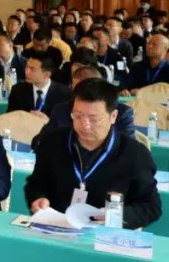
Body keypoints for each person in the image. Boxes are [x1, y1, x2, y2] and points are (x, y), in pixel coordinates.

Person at [25, 79, 162, 229]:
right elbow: (36, 184)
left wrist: (115, 215)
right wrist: (37, 199)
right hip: (57, 229)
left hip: (106, 233)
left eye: (93, 119)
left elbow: (151, 207)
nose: (85, 125)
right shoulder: (52, 142)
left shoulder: (135, 154)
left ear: (113, 116)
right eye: (78, 116)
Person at [35, 65, 135, 146]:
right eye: (75, 88)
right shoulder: (61, 109)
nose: (79, 93)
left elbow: (128, 149)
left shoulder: (122, 113)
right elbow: (38, 141)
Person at [7, 52, 70, 117]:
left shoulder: (64, 94)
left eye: (32, 69)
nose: (26, 72)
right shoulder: (17, 90)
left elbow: (66, 120)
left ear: (47, 74)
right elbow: (10, 117)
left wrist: (49, 121)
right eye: (27, 67)